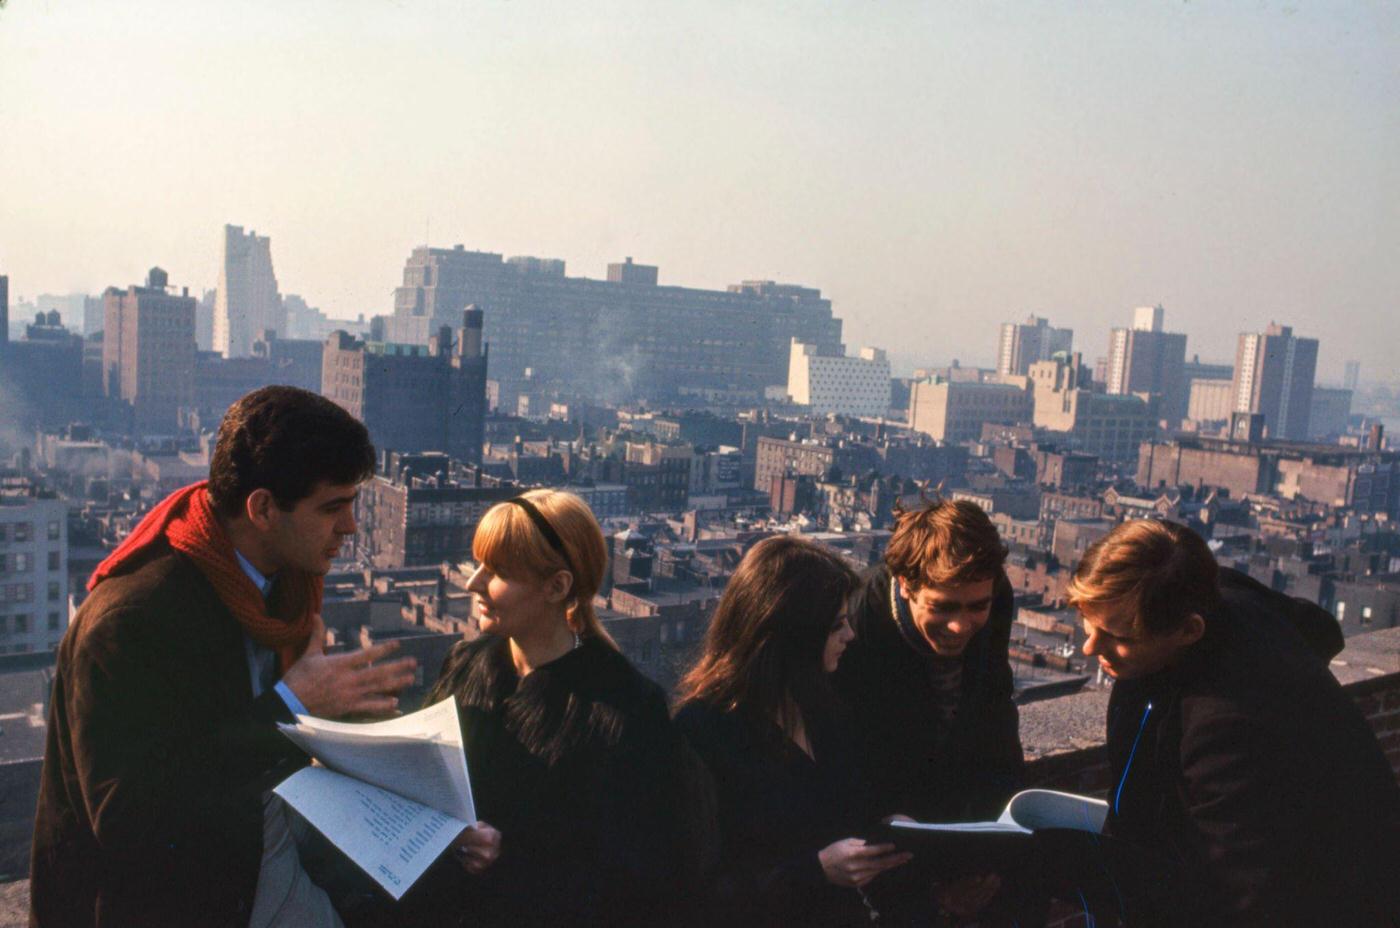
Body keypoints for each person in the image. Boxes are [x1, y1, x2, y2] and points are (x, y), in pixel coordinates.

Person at [30, 386, 420, 927]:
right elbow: (129, 821)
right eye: (332, 507)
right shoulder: (133, 621)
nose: (350, 527)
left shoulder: (280, 588)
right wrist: (291, 707)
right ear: (261, 508)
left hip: (253, 864)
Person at [1067, 519, 1400, 926]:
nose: (1089, 646)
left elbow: (1242, 898)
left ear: (1189, 630)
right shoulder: (1215, 590)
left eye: (1117, 635)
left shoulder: (1223, 728)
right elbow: (1320, 627)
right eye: (1087, 619)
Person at [401, 489, 687, 926]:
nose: (474, 582)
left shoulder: (626, 711)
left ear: (557, 587)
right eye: (478, 564)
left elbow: (641, 878)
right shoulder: (466, 664)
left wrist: (511, 858)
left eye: (496, 571)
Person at [674, 535, 914, 927]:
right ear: (794, 635)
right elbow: (693, 890)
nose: (850, 635)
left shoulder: (825, 710)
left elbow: (842, 815)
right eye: (836, 625)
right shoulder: (701, 733)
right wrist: (815, 871)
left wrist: (889, 830)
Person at [831, 498, 1023, 920]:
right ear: (904, 583)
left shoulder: (994, 594)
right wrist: (926, 891)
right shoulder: (859, 622)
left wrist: (998, 846)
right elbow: (846, 763)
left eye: (977, 606)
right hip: (887, 832)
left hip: (966, 814)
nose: (962, 625)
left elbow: (994, 710)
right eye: (942, 607)